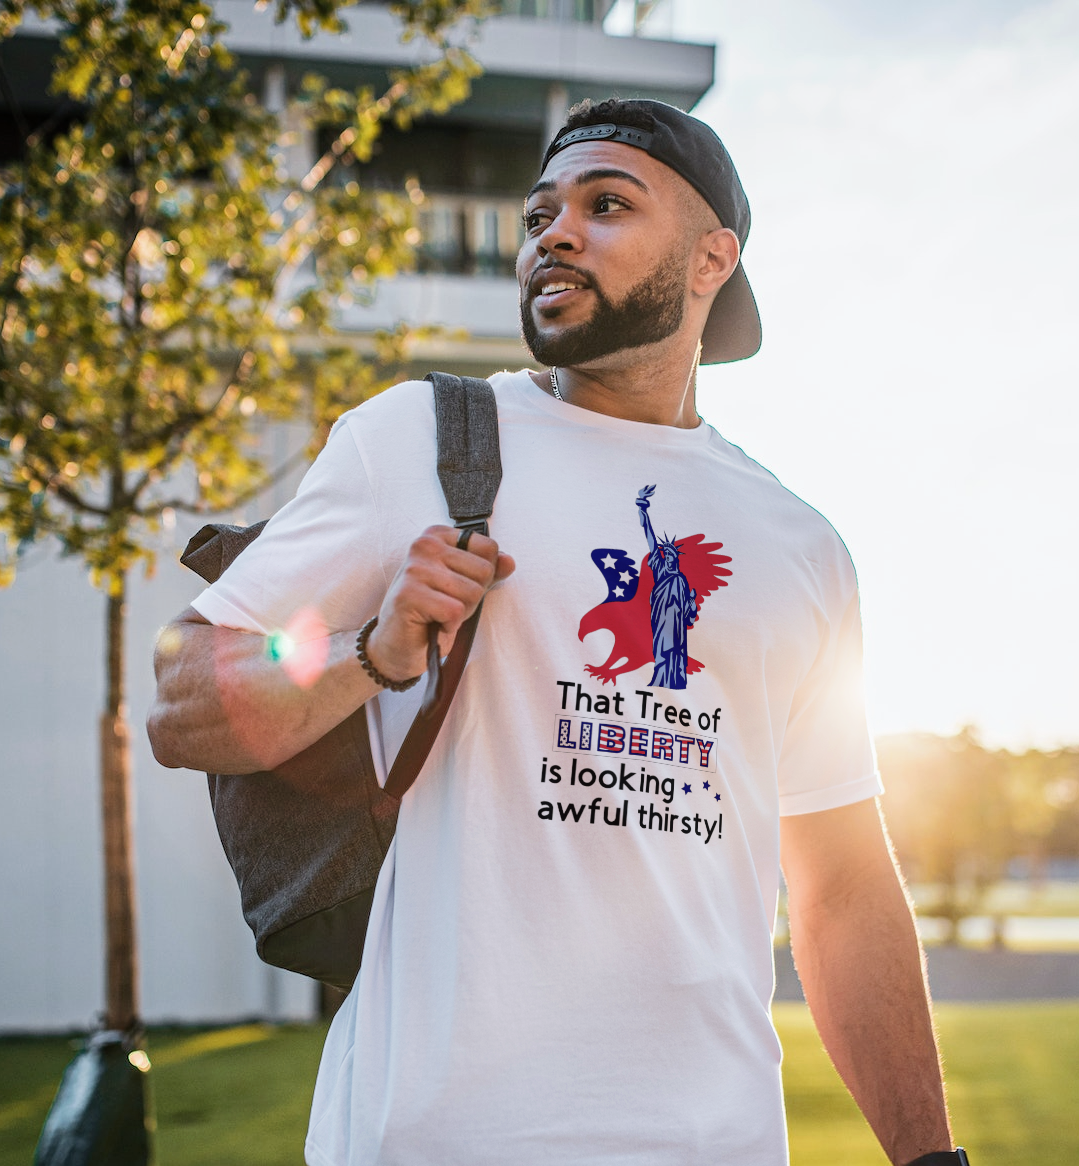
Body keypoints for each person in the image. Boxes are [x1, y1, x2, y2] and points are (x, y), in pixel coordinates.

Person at [148, 99, 968, 1166]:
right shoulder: (421, 442)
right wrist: (365, 654)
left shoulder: (798, 544)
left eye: (605, 204)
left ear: (712, 257)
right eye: (539, 213)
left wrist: (929, 1157)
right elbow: (182, 699)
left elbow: (844, 888)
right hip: (431, 1138)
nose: (553, 233)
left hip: (711, 1141)